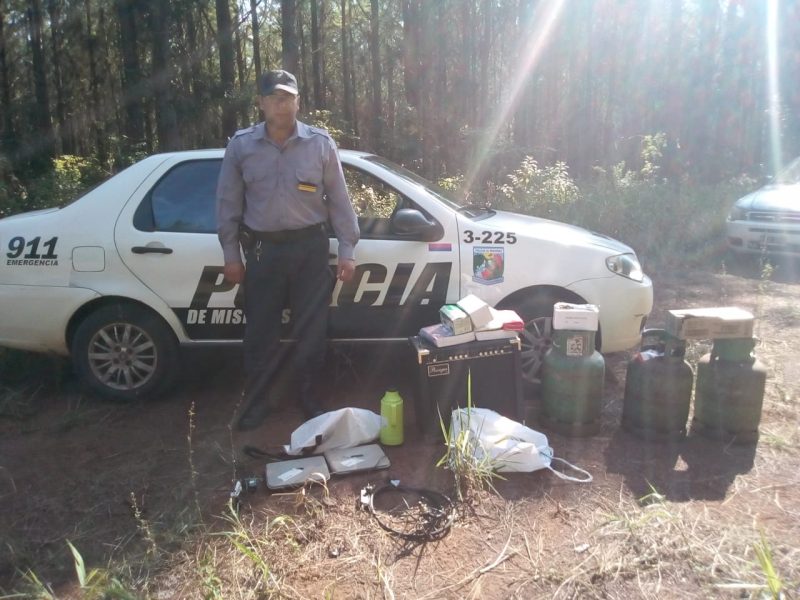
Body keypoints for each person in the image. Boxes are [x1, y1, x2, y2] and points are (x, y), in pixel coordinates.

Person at [216, 69, 360, 431]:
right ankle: (259, 402)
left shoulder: (320, 144)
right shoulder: (241, 146)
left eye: (289, 97)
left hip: (311, 248)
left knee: (312, 329)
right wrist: (231, 255)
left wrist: (348, 249)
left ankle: (309, 398)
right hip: (264, 252)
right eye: (275, 98)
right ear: (262, 103)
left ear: (299, 101)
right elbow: (228, 204)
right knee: (260, 331)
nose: (283, 105)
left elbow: (340, 201)